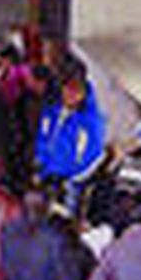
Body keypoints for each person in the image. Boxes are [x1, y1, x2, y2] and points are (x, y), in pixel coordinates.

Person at [36, 73, 106, 213]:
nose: (70, 94)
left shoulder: (91, 122)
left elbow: (92, 154)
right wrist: (40, 164)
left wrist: (71, 177)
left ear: (83, 94)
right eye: (67, 88)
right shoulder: (52, 112)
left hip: (70, 182)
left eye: (76, 90)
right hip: (46, 176)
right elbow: (42, 138)